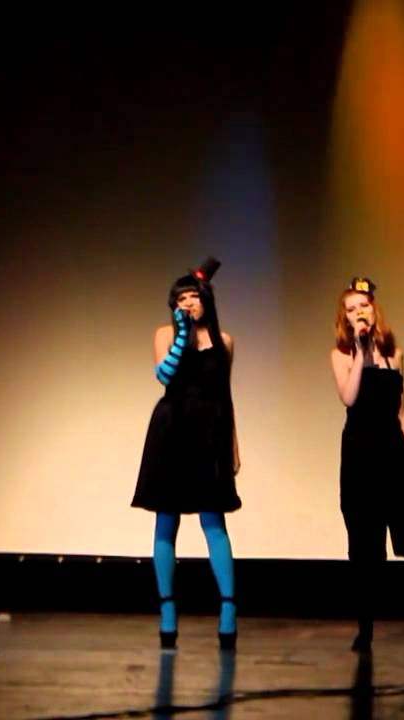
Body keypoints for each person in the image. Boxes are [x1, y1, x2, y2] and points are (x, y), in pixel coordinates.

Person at [132, 258, 242, 650]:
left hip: (209, 433)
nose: (188, 303)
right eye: (181, 299)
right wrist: (182, 335)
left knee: (214, 521)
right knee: (166, 519)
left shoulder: (224, 340)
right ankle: (167, 611)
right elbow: (164, 376)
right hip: (172, 429)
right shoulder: (164, 334)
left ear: (206, 299)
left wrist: (233, 444)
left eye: (193, 296)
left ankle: (228, 610)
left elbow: (225, 395)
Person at [329, 277, 404, 656]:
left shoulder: (396, 354)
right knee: (365, 549)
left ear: (375, 310)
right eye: (351, 309)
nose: (359, 312)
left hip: (394, 454)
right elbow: (349, 397)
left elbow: (402, 413)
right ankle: (365, 631)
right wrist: (361, 352)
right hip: (360, 457)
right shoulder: (342, 355)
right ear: (345, 318)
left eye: (364, 305)